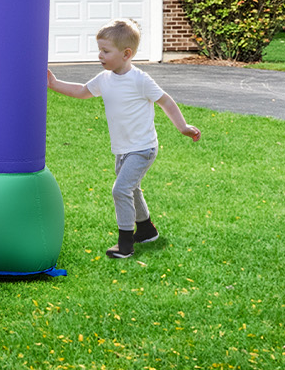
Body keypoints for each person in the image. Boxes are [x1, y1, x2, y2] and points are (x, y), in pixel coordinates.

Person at [46, 19, 201, 259]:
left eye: (106, 51)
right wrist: (54, 84)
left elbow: (166, 101)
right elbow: (82, 91)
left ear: (126, 54)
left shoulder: (140, 80)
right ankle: (147, 230)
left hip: (143, 148)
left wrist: (183, 127)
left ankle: (125, 244)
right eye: (99, 49)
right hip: (122, 149)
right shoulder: (104, 79)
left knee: (121, 190)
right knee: (131, 188)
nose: (100, 55)